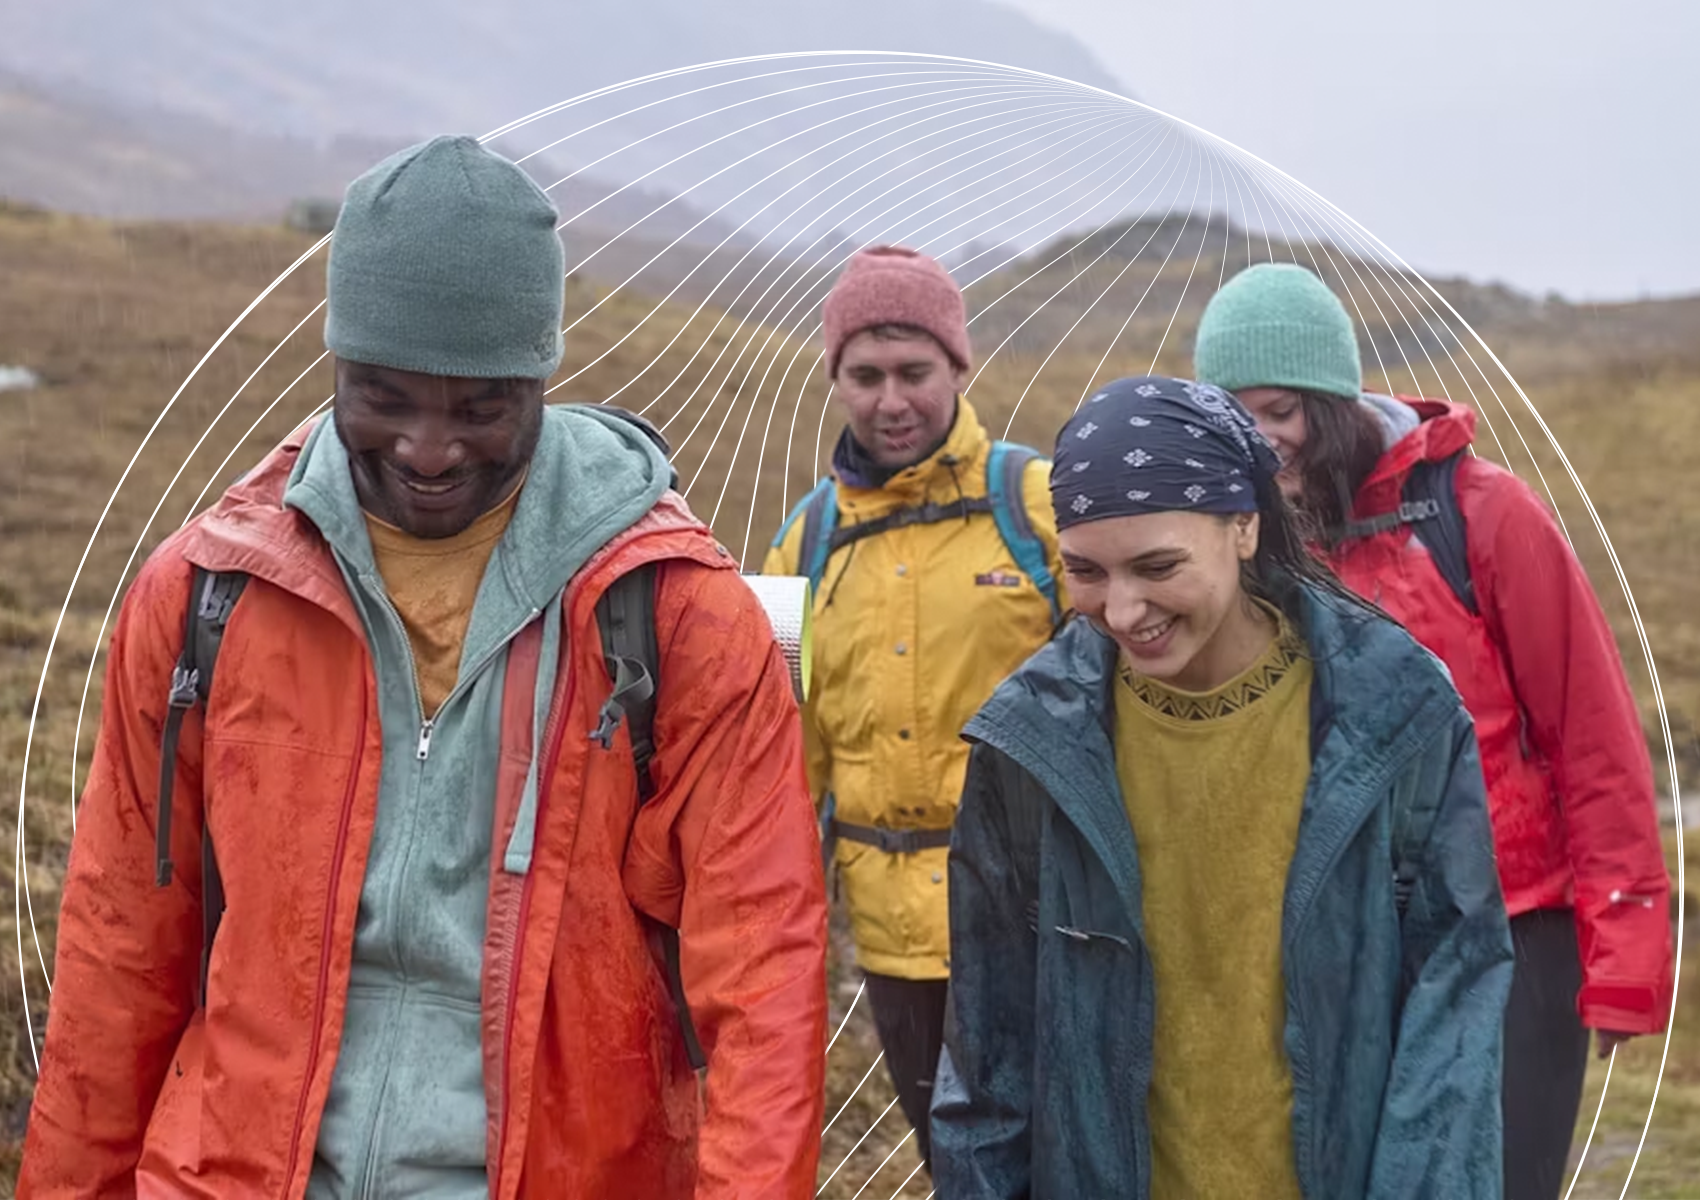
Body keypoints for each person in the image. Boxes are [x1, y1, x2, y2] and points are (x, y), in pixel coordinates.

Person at [20, 135, 828, 1199]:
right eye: (384, 398)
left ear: (540, 376)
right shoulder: (204, 598)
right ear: (335, 368)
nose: (429, 449)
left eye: (481, 407)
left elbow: (764, 977)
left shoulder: (677, 619)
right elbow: (120, 949)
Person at [931, 375, 1514, 1198]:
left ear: (1244, 526)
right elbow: (988, 1065)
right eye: (1086, 571)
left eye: (1157, 566)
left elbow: (1450, 1030)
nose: (1122, 610)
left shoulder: (1398, 713)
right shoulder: (1028, 744)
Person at [1193, 262, 1675, 1200]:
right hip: (1340, 940)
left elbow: (1593, 739)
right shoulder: (1245, 541)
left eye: (1282, 410)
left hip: (1514, 931)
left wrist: (1623, 956)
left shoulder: (1483, 514)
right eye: (1238, 419)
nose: (1264, 440)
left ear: (1333, 402)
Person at [762, 244, 1064, 1174]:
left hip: (1041, 919)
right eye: (865, 376)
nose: (891, 401)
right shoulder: (798, 547)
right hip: (894, 944)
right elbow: (774, 754)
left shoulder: (1039, 506)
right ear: (836, 380)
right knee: (955, 1169)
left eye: (913, 372)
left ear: (957, 368)